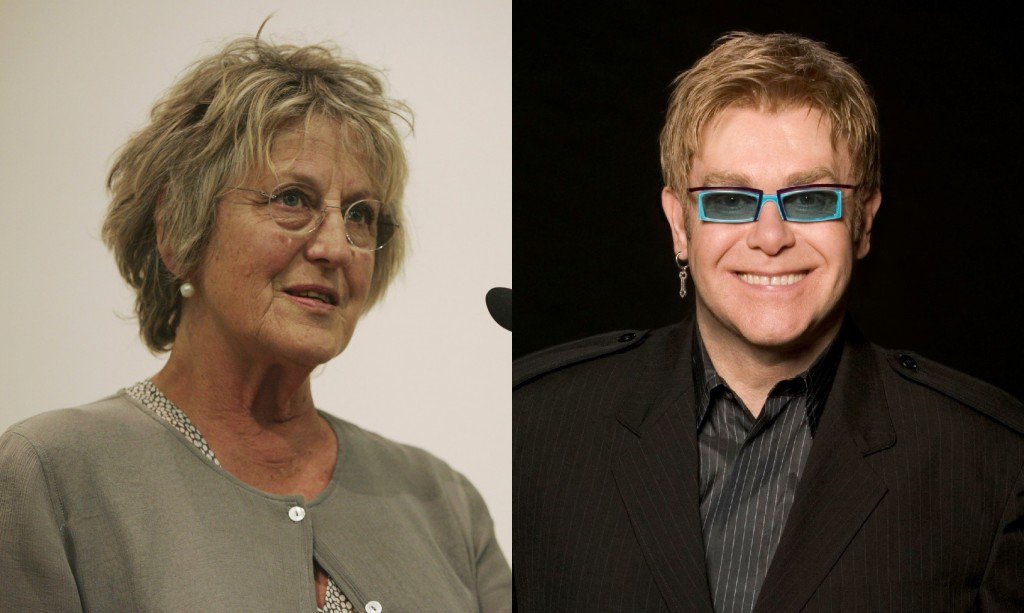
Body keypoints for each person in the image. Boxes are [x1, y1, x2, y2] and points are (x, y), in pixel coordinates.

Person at [514, 32, 1023, 611]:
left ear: (862, 222)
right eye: (730, 200)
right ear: (680, 225)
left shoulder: (993, 463)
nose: (771, 237)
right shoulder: (530, 426)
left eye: (810, 198)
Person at [0, 35, 511, 612]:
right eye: (293, 199)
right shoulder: (51, 475)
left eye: (360, 215)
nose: (335, 247)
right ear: (175, 227)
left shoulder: (443, 502)